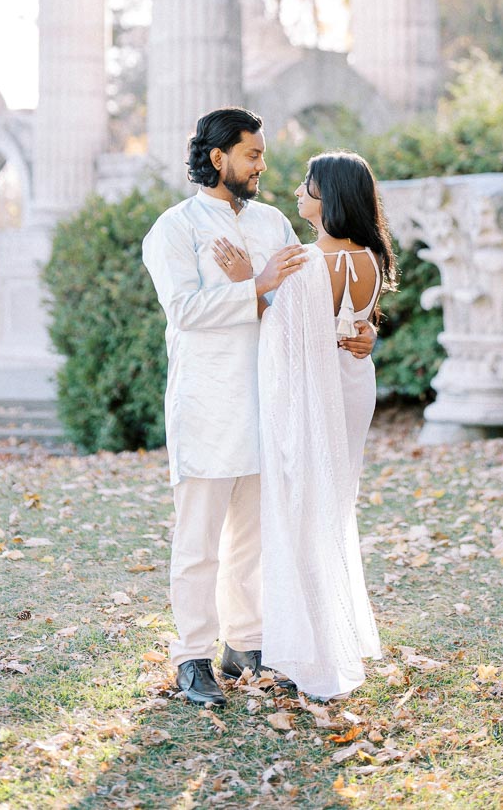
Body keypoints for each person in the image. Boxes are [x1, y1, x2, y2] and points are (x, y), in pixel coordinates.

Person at [142, 109, 376, 708]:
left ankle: (244, 643)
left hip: (275, 406)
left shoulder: (274, 222)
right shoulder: (174, 228)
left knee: (255, 536)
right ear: (218, 158)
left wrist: (360, 330)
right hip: (208, 405)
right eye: (252, 155)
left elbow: (308, 300)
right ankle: (192, 657)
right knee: (199, 542)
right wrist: (257, 285)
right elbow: (185, 312)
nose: (262, 167)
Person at [215, 149, 396, 699]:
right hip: (351, 389)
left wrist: (250, 282)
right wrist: (367, 337)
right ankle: (324, 635)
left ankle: (308, 651)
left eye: (308, 184)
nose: (297, 189)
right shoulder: (369, 258)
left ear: (328, 197)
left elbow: (284, 338)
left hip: (309, 397)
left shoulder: (304, 262)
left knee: (298, 514)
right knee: (332, 509)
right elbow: (357, 327)